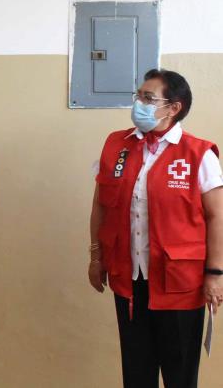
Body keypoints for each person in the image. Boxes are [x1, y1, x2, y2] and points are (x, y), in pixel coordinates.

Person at [89, 69, 223, 388]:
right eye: (138, 96)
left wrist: (215, 275)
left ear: (173, 108)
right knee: (136, 374)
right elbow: (100, 206)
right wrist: (96, 256)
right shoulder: (116, 145)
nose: (139, 103)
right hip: (130, 279)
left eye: (149, 98)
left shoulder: (198, 153)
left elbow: (217, 216)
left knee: (179, 376)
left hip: (181, 285)